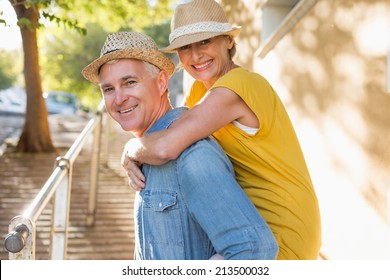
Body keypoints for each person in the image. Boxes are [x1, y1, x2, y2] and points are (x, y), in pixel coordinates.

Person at [121, 0, 322, 260]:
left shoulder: (239, 86)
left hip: (279, 229)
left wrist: (130, 149)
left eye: (205, 42)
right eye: (185, 47)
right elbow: (174, 138)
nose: (195, 56)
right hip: (242, 219)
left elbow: (164, 146)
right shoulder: (199, 91)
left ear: (228, 40)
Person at [81, 31, 278, 260]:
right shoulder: (147, 151)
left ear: (162, 82)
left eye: (130, 82)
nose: (118, 99)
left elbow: (255, 249)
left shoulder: (193, 156)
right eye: (108, 89)